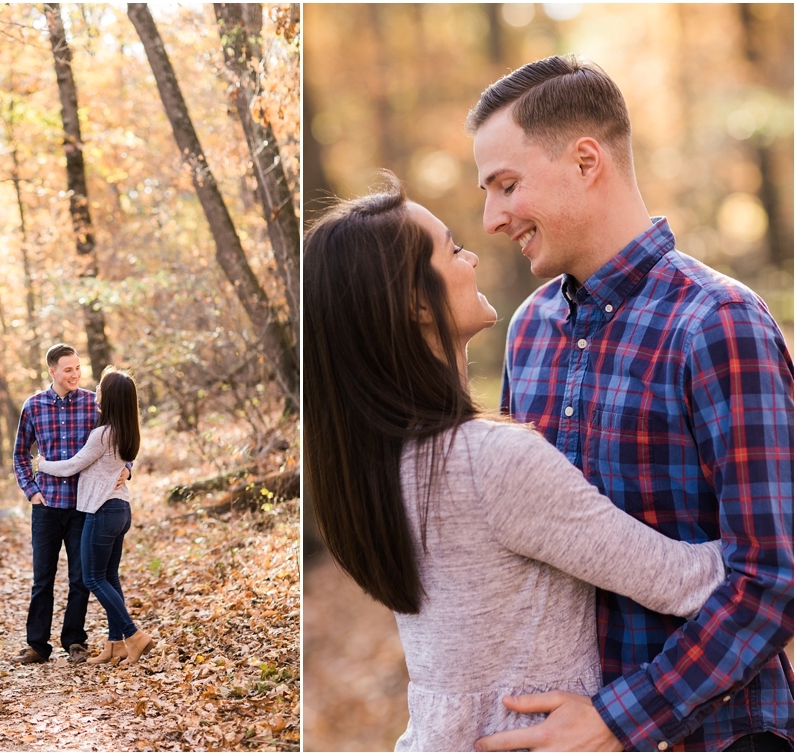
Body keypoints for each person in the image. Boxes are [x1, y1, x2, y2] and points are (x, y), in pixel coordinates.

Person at [303, 175, 726, 751]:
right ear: (414, 302)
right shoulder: (490, 461)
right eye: (452, 249)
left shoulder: (372, 461)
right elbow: (683, 581)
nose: (472, 254)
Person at [468, 55, 793, 752]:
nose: (492, 218)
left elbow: (772, 580)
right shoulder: (528, 331)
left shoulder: (720, 322)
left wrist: (620, 718)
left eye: (506, 185)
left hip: (719, 735)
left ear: (586, 162)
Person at [12, 343, 130, 665]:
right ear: (52, 371)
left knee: (80, 578)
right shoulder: (33, 406)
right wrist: (31, 491)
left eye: (78, 368)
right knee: (42, 579)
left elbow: (121, 439)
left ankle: (75, 642)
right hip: (46, 506)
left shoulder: (95, 404)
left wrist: (126, 469)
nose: (75, 374)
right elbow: (21, 454)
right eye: (68, 369)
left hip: (84, 506)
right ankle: (37, 646)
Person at [35, 367, 154, 665]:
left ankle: (133, 635)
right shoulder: (128, 431)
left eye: (101, 386)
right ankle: (115, 645)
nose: (96, 389)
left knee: (92, 577)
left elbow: (73, 465)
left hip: (101, 511)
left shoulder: (102, 434)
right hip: (120, 510)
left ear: (109, 396)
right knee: (109, 577)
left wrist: (42, 464)